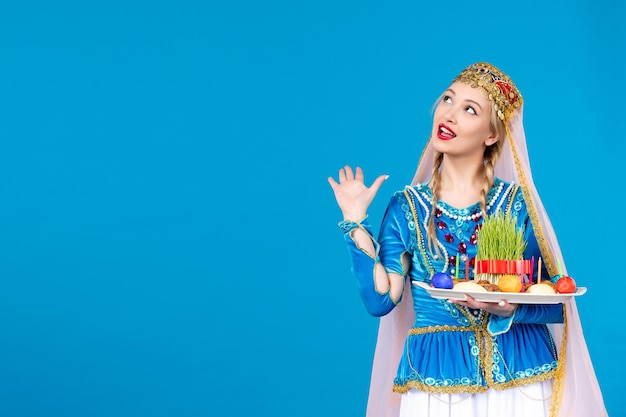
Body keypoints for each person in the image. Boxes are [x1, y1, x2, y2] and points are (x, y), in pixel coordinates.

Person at [328, 62, 607, 417]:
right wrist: (354, 222)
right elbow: (382, 299)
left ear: (491, 134)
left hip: (521, 379)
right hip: (437, 380)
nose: (450, 115)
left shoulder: (515, 206)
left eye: (469, 109)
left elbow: (555, 301)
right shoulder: (407, 208)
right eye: (448, 99)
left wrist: (512, 308)